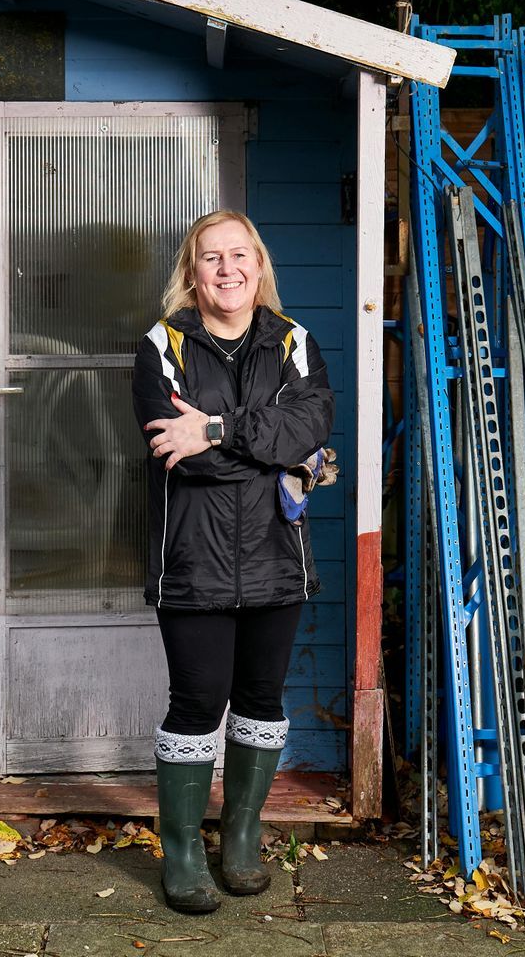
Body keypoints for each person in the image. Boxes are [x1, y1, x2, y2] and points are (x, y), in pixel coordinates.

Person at [130, 209, 335, 914]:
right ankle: (184, 849)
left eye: (239, 255)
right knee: (198, 702)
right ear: (192, 271)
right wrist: (269, 450)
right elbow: (175, 455)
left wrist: (214, 429)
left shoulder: (294, 342)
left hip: (277, 558)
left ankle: (240, 835)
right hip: (193, 562)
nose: (227, 269)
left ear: (259, 265)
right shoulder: (164, 345)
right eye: (211, 258)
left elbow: (310, 427)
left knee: (260, 700)